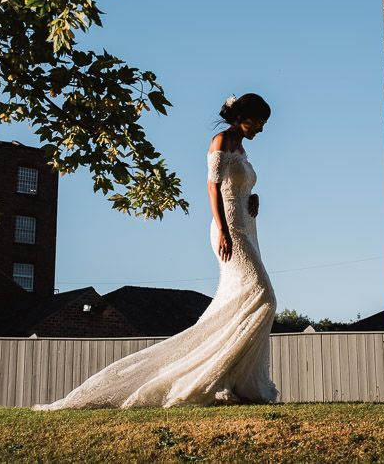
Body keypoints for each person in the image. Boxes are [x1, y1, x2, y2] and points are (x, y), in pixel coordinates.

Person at [31, 93, 277, 409]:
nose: (261, 129)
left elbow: (237, 184)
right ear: (245, 116)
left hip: (247, 225)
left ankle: (235, 383)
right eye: (259, 121)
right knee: (263, 295)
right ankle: (204, 374)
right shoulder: (221, 141)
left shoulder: (242, 149)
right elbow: (212, 186)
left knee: (243, 299)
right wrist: (225, 231)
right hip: (230, 229)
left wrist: (251, 197)